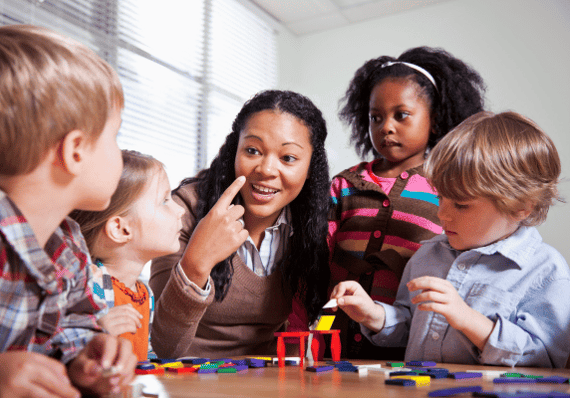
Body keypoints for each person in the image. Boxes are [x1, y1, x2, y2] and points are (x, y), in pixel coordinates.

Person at [331, 111, 570, 368]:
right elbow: (410, 327)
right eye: (441, 198)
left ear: (522, 206)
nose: (442, 214)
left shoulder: (546, 271)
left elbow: (546, 360)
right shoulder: (427, 256)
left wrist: (467, 319)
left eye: (461, 205)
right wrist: (374, 315)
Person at [0, 25, 136, 397]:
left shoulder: (68, 245)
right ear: (75, 150)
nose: (120, 154)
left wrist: (86, 356)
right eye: (115, 136)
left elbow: (72, 324)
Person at [321, 46, 486, 359]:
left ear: (434, 121)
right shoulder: (343, 185)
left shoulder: (448, 188)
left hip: (406, 343)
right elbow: (318, 257)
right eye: (376, 117)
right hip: (333, 335)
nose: (387, 127)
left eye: (402, 115)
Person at [149, 90, 331, 358]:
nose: (267, 169)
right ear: (234, 151)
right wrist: (196, 263)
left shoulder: (309, 224)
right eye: (252, 151)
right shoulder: (183, 211)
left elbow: (300, 329)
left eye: (288, 158)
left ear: (310, 168)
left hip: (267, 377)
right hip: (199, 371)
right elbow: (166, 347)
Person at [71, 150, 185, 362]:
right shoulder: (88, 285)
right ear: (121, 229)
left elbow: (143, 354)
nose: (180, 210)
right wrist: (97, 334)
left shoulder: (143, 293)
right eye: (164, 201)